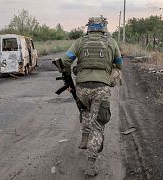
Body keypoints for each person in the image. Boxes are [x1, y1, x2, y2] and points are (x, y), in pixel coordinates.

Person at [61, 15, 123, 176]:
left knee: (86, 110)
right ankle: (90, 164)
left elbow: (65, 61)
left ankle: (84, 136)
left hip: (82, 88)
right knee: (99, 125)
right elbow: (119, 64)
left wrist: (69, 79)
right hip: (101, 89)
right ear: (104, 27)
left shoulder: (80, 41)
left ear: (88, 27)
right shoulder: (111, 42)